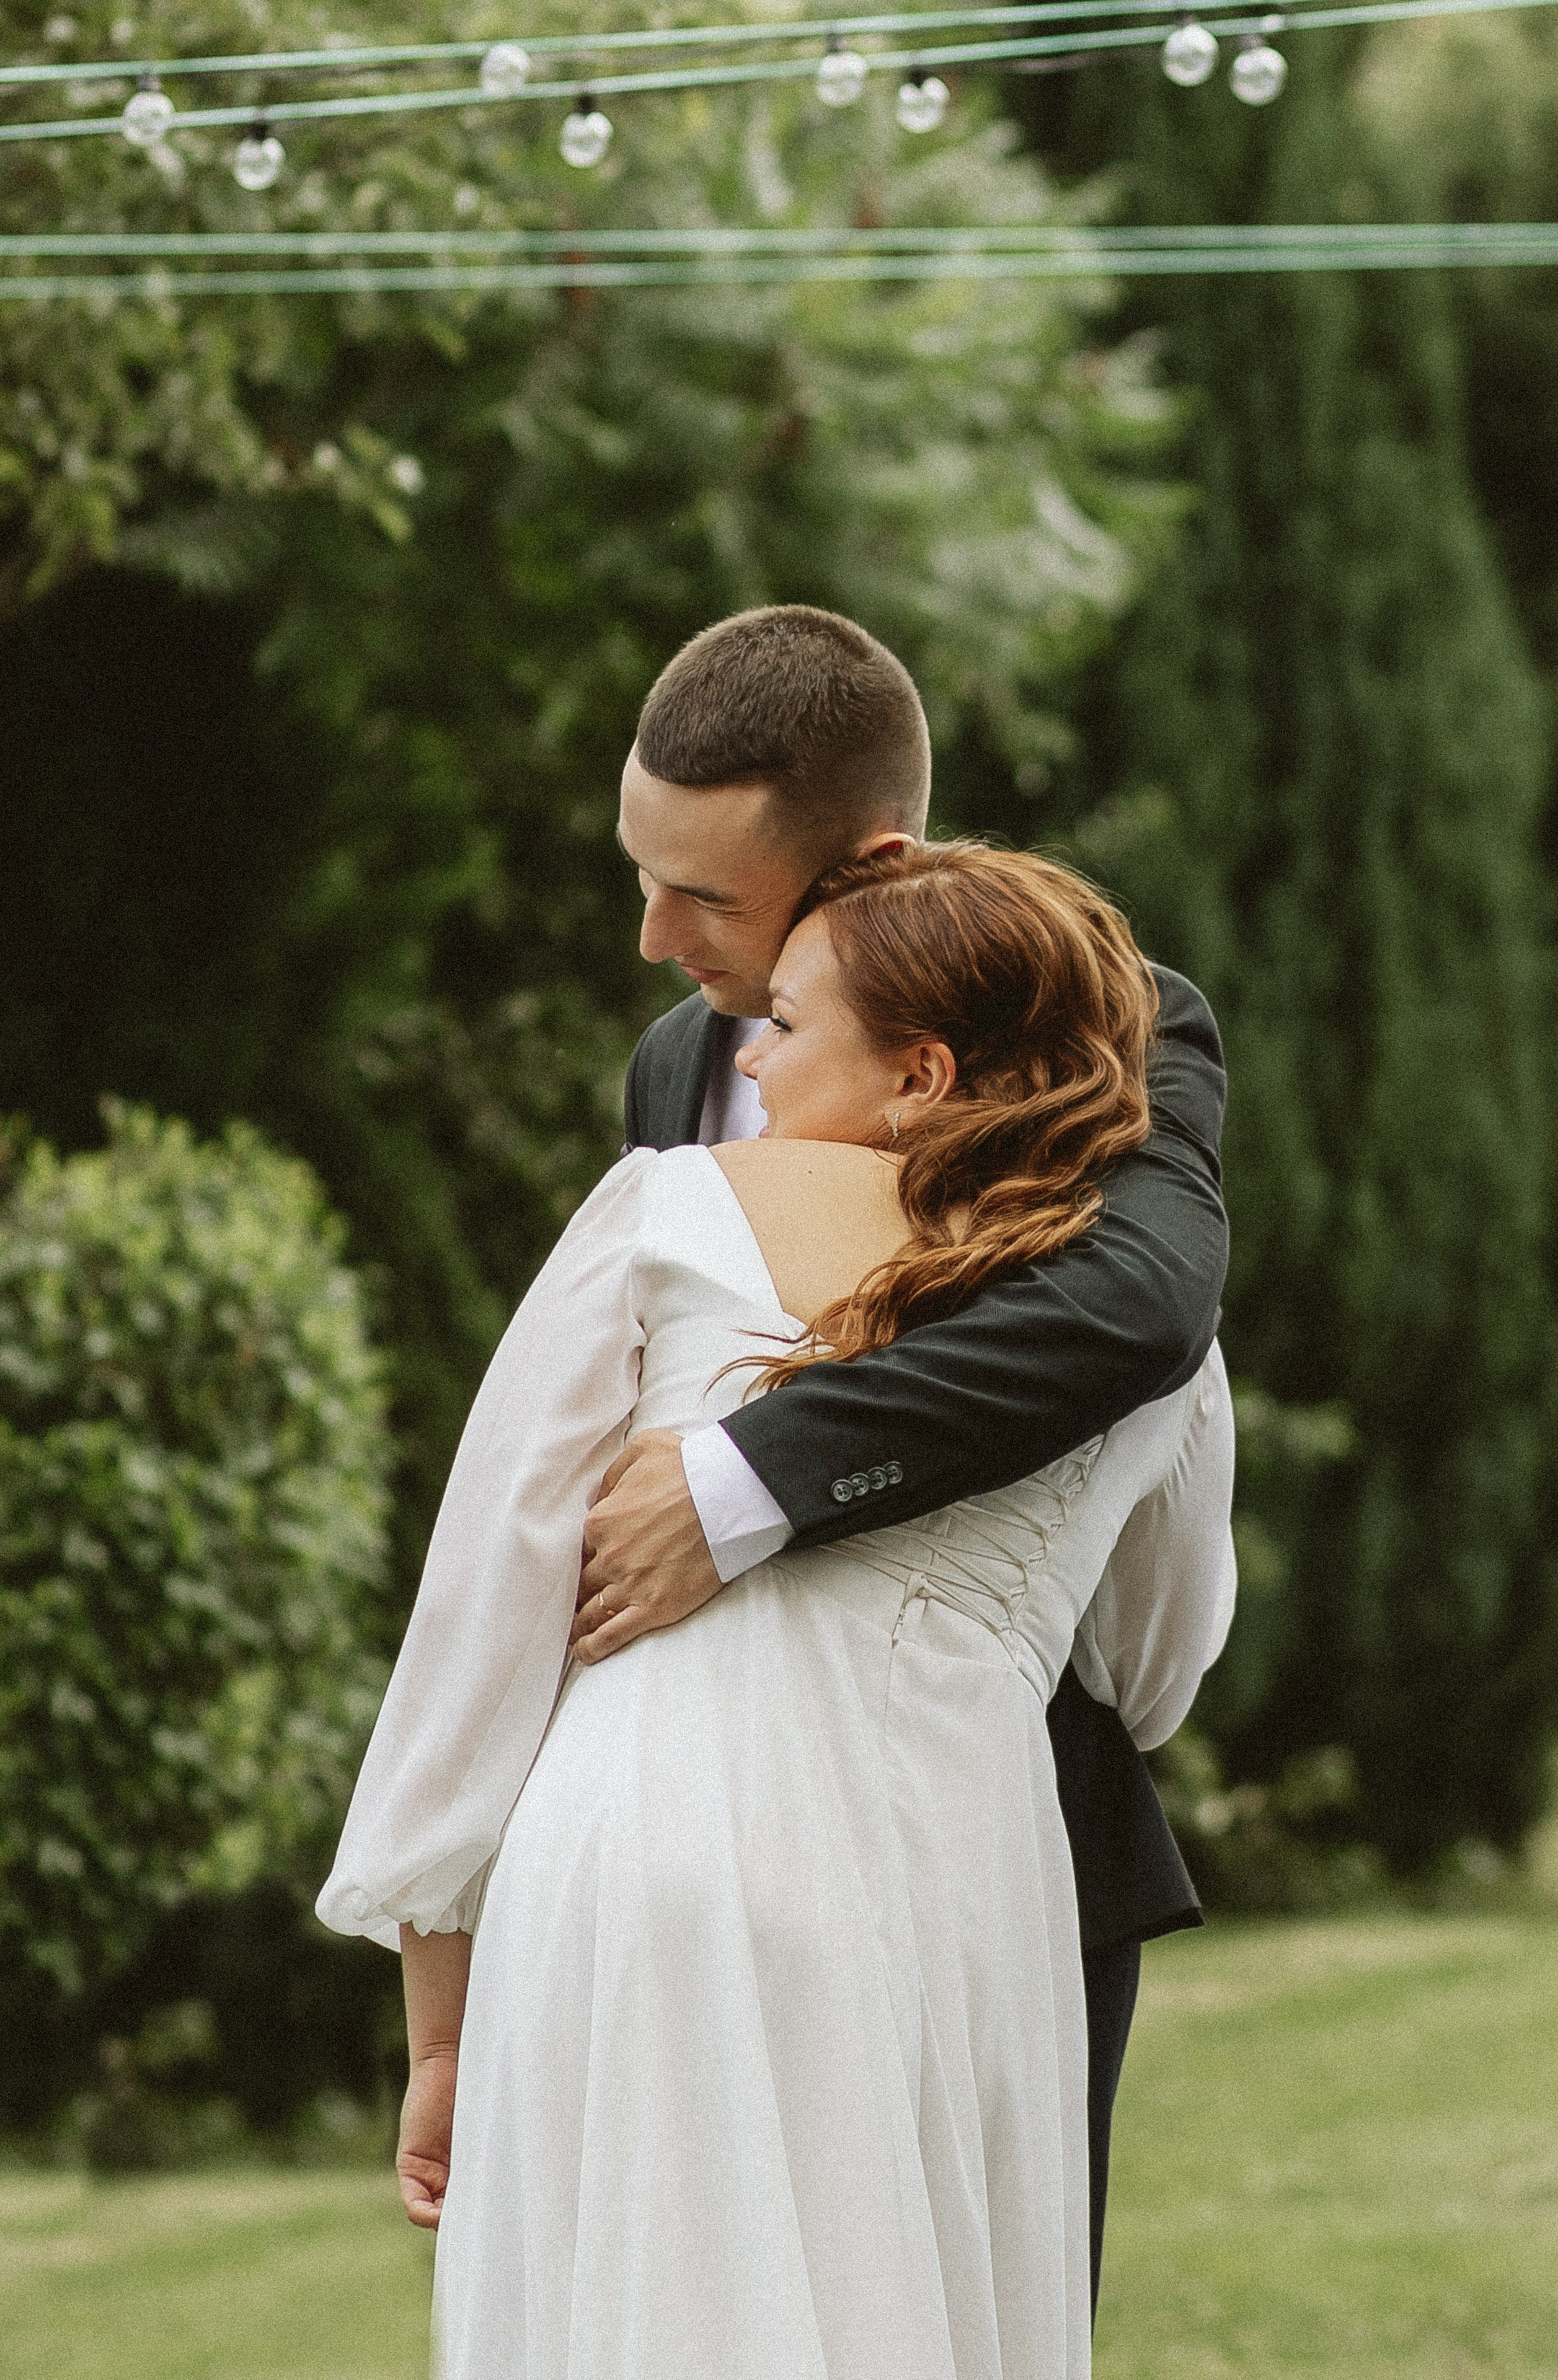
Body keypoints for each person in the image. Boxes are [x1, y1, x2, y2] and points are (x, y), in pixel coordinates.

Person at [319, 837, 1236, 2380]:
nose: (744, 1050)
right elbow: (1149, 1672)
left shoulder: (668, 1212)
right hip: (962, 1881)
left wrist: (437, 2031)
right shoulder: (1151, 1338)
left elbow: (480, 1625)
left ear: (920, 1074)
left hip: (644, 1847)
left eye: (789, 1026)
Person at [577, 606, 1228, 2299]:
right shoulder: (675, 1071)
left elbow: (1143, 1306)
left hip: (992, 1823)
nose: (654, 940)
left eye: (705, 898)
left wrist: (749, 1484)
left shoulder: (1112, 1019)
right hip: (689, 1838)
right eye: (643, 876)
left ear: (871, 861)